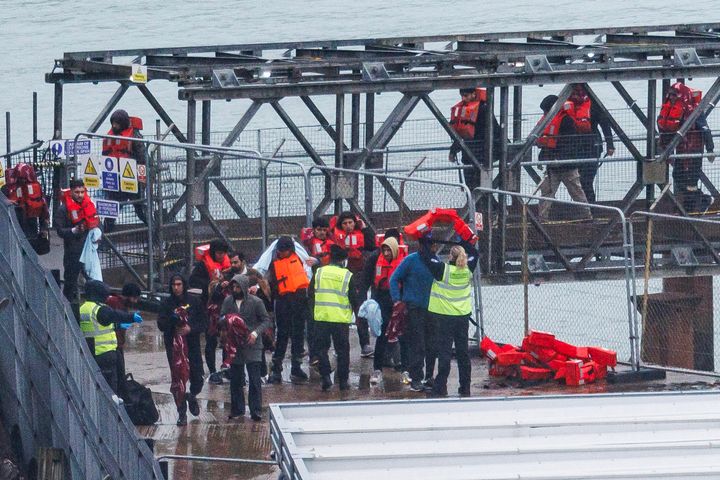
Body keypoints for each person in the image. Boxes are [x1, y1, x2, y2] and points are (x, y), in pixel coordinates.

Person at [421, 240, 479, 397]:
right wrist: (465, 241)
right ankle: (465, 387)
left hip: (444, 318)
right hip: (462, 318)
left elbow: (426, 257)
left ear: (450, 257)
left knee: (444, 353)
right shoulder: (468, 269)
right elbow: (475, 253)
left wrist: (425, 241)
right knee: (463, 354)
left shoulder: (442, 270)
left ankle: (441, 387)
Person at [389, 233, 439, 392]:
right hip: (414, 308)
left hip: (432, 309)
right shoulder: (411, 260)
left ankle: (429, 376)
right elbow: (394, 279)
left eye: (431, 244)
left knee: (431, 344)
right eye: (428, 244)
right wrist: (397, 300)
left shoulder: (435, 262)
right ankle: (416, 378)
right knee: (417, 344)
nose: (431, 247)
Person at [219, 274, 273, 421]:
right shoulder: (228, 301)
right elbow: (221, 317)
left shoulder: (256, 302)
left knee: (255, 378)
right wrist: (226, 322)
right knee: (236, 379)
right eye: (233, 287)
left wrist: (255, 333)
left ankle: (255, 410)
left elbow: (266, 320)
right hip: (235, 345)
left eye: (238, 287)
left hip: (253, 344)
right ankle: (237, 409)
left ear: (243, 287)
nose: (235, 289)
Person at [658, 82, 715, 213]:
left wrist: (710, 149)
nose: (672, 98)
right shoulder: (670, 109)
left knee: (691, 181)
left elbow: (705, 129)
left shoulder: (694, 110)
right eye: (670, 95)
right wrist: (666, 148)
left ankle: (697, 204)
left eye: (675, 95)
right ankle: (698, 202)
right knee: (678, 175)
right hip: (681, 149)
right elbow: (665, 129)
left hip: (694, 149)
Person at [157, 274, 206, 425]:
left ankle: (192, 396)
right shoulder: (166, 303)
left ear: (184, 285)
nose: (176, 288)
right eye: (174, 285)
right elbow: (161, 325)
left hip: (192, 345)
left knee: (197, 376)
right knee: (178, 381)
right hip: (174, 347)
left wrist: (190, 329)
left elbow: (204, 322)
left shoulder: (194, 301)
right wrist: (172, 322)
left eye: (179, 284)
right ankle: (181, 413)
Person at [79, 280, 142, 396]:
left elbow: (99, 324)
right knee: (111, 389)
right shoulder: (99, 309)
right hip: (105, 353)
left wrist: (117, 325)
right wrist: (131, 317)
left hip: (90, 353)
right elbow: (113, 315)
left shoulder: (83, 308)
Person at [536, 95, 592, 222]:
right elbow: (547, 144)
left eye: (546, 111)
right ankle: (542, 219)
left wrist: (560, 159)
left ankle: (586, 216)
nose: (544, 114)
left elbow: (571, 143)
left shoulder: (566, 121)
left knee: (576, 192)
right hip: (552, 166)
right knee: (546, 193)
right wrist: (543, 158)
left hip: (567, 166)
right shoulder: (550, 121)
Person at [311, 245, 360, 391]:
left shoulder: (319, 272)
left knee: (321, 349)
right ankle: (343, 382)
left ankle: (326, 377)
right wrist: (358, 317)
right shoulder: (347, 275)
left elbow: (310, 293)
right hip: (340, 319)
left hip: (321, 317)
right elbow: (354, 299)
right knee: (343, 351)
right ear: (343, 260)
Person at [360, 229, 404, 384]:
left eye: (388, 249)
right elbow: (366, 279)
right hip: (381, 298)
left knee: (401, 334)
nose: (385, 253)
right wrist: (363, 299)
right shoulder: (374, 258)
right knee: (382, 334)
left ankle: (404, 367)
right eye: (384, 249)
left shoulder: (405, 260)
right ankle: (377, 369)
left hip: (398, 299)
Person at [331, 211, 376, 357]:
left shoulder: (361, 234)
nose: (348, 226)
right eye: (345, 223)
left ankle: (365, 345)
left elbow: (372, 245)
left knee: (360, 311)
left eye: (350, 222)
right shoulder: (335, 238)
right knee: (341, 313)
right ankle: (340, 348)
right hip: (341, 279)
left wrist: (365, 228)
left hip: (358, 279)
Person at [266, 236, 310, 383]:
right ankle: (276, 369)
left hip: (298, 301)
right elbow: (267, 282)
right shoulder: (273, 262)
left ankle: (296, 368)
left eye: (284, 250)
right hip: (282, 302)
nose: (282, 253)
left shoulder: (301, 258)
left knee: (298, 335)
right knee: (282, 335)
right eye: (280, 250)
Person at [568, 84, 615, 203]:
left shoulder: (568, 104)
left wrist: (610, 145)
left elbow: (604, 124)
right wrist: (610, 145)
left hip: (577, 147)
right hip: (591, 146)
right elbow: (605, 124)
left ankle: (588, 208)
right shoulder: (592, 104)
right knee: (585, 181)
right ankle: (588, 209)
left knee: (582, 181)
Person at [101, 109, 147, 231]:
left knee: (141, 210)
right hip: (116, 181)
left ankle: (155, 234)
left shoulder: (136, 137)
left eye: (117, 123)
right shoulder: (109, 137)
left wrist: (142, 180)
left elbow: (143, 160)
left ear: (123, 123)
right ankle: (107, 241)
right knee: (110, 212)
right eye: (113, 123)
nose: (114, 126)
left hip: (133, 181)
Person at [448, 88, 502, 192]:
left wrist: (500, 147)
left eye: (466, 95)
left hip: (483, 156)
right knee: (471, 187)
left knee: (484, 189)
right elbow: (460, 134)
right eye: (462, 96)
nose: (463, 99)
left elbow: (494, 129)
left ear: (474, 94)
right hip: (468, 155)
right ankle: (477, 206)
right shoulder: (464, 110)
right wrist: (453, 150)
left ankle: (488, 207)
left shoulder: (483, 109)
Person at [189, 240, 230, 376]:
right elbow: (193, 280)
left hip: (224, 305)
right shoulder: (202, 265)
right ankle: (212, 371)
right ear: (213, 252)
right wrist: (211, 284)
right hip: (209, 306)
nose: (221, 256)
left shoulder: (227, 264)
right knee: (211, 339)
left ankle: (226, 368)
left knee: (227, 339)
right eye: (218, 253)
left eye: (223, 253)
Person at [55, 179, 100, 303]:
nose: (80, 195)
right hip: (73, 252)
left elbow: (97, 222)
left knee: (94, 280)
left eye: (82, 192)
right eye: (77, 192)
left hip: (89, 250)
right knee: (70, 282)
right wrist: (74, 230)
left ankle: (94, 306)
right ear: (71, 192)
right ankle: (67, 308)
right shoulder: (63, 210)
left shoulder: (89, 205)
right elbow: (59, 230)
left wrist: (98, 234)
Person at [106, 282, 142, 399]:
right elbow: (109, 320)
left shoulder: (122, 305)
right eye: (134, 298)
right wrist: (119, 325)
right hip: (112, 345)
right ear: (128, 296)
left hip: (118, 344)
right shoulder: (114, 303)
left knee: (120, 375)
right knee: (118, 376)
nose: (135, 302)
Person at [2, 163, 50, 250]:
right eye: (21, 178)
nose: (23, 181)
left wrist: (44, 228)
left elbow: (44, 209)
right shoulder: (7, 189)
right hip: (13, 228)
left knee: (31, 253)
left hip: (31, 228)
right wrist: (6, 202)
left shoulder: (36, 188)